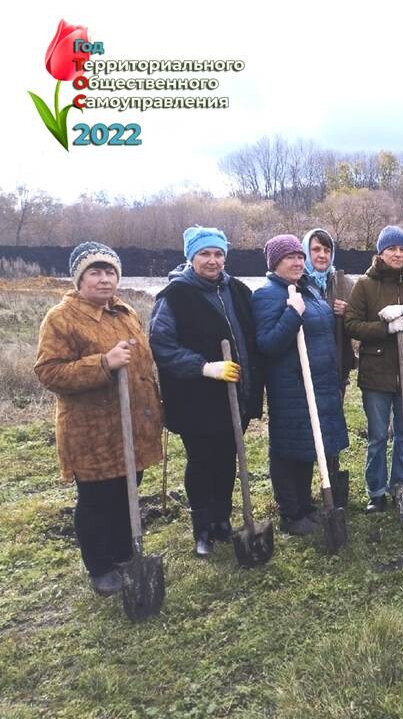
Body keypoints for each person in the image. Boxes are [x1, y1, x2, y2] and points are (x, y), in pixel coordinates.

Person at [35, 242, 163, 596]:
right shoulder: (61, 318)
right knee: (96, 500)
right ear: (79, 278)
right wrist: (102, 364)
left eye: (110, 272)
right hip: (90, 431)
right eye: (95, 272)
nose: (104, 280)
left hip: (131, 425)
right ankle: (100, 566)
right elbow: (49, 373)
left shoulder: (124, 312)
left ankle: (124, 555)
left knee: (127, 493)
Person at [150, 226, 264, 556]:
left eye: (218, 254)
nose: (212, 261)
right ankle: (202, 528)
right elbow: (161, 344)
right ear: (191, 258)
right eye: (205, 254)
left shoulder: (239, 291)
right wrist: (203, 367)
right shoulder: (174, 296)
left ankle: (222, 520)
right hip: (196, 401)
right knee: (202, 462)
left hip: (236, 397)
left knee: (228, 458)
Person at [251, 235, 349, 535]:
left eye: (298, 256)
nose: (296, 262)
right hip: (292, 384)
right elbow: (268, 343)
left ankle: (306, 506)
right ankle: (291, 513)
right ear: (274, 264)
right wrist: (292, 313)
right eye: (288, 258)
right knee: (287, 448)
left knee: (310, 445)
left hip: (320, 382)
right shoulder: (267, 295)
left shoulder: (309, 288)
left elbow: (322, 330)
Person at [344, 226, 403, 513]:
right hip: (376, 374)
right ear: (380, 253)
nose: (398, 254)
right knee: (377, 436)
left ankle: (401, 486)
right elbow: (351, 324)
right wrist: (384, 328)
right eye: (392, 249)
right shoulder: (365, 284)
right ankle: (376, 491)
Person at [301, 227, 356, 394]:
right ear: (305, 252)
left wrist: (349, 313)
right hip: (305, 370)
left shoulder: (345, 283)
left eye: (327, 250)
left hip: (337, 368)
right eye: (316, 249)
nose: (322, 255)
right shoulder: (297, 282)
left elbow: (361, 324)